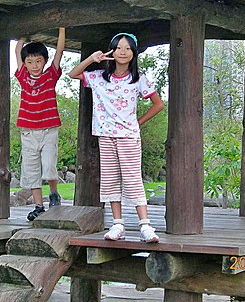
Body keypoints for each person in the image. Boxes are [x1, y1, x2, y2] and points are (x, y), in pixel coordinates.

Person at [68, 32, 164, 243]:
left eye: (128, 48)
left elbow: (158, 104)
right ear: (112, 50)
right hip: (105, 135)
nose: (123, 52)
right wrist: (93, 59)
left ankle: (145, 225)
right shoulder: (98, 77)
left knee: (133, 179)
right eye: (119, 47)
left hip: (128, 136)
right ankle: (117, 224)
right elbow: (72, 74)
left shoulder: (138, 79)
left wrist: (137, 122)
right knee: (110, 180)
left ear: (134, 53)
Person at [15, 28, 65, 221]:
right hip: (28, 131)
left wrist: (61, 29)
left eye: (38, 61)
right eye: (30, 62)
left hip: (48, 129)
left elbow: (59, 51)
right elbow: (17, 50)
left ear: (44, 61)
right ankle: (38, 206)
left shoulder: (51, 75)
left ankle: (53, 193)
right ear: (25, 63)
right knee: (31, 169)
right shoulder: (23, 76)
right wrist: (23, 34)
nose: (34, 65)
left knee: (49, 165)